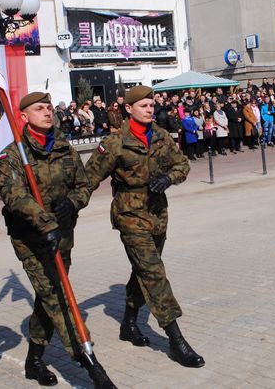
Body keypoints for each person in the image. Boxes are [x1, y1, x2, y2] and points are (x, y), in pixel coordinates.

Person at [0, 92, 115, 388]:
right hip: (32, 239)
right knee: (57, 296)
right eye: (39, 108)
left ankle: (34, 359)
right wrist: (44, 220)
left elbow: (83, 185)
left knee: (48, 296)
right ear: (23, 116)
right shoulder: (13, 155)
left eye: (49, 107)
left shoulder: (64, 148)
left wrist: (73, 202)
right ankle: (90, 364)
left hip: (62, 236)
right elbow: (14, 197)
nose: (47, 112)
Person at [84, 85, 205, 369]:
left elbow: (182, 165)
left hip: (157, 214)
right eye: (144, 106)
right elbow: (88, 179)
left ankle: (128, 323)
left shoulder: (161, 136)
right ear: (128, 109)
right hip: (130, 214)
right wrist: (67, 210)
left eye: (152, 104)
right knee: (153, 272)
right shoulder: (115, 143)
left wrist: (169, 178)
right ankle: (176, 341)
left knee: (143, 272)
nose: (150, 109)